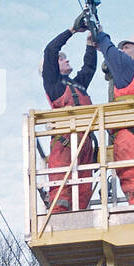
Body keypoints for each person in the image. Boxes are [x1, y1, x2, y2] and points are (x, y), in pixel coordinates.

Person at [91, 26, 134, 204]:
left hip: (128, 136)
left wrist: (100, 36)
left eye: (127, 48)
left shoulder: (128, 67)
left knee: (133, 179)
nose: (122, 51)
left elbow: (111, 52)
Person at [41, 13, 98, 213]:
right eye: (61, 59)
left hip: (85, 142)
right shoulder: (53, 84)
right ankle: (58, 219)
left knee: (84, 187)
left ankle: (79, 219)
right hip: (65, 140)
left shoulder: (77, 85)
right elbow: (50, 49)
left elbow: (89, 68)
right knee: (62, 186)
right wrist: (72, 31)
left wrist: (90, 45)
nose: (65, 60)